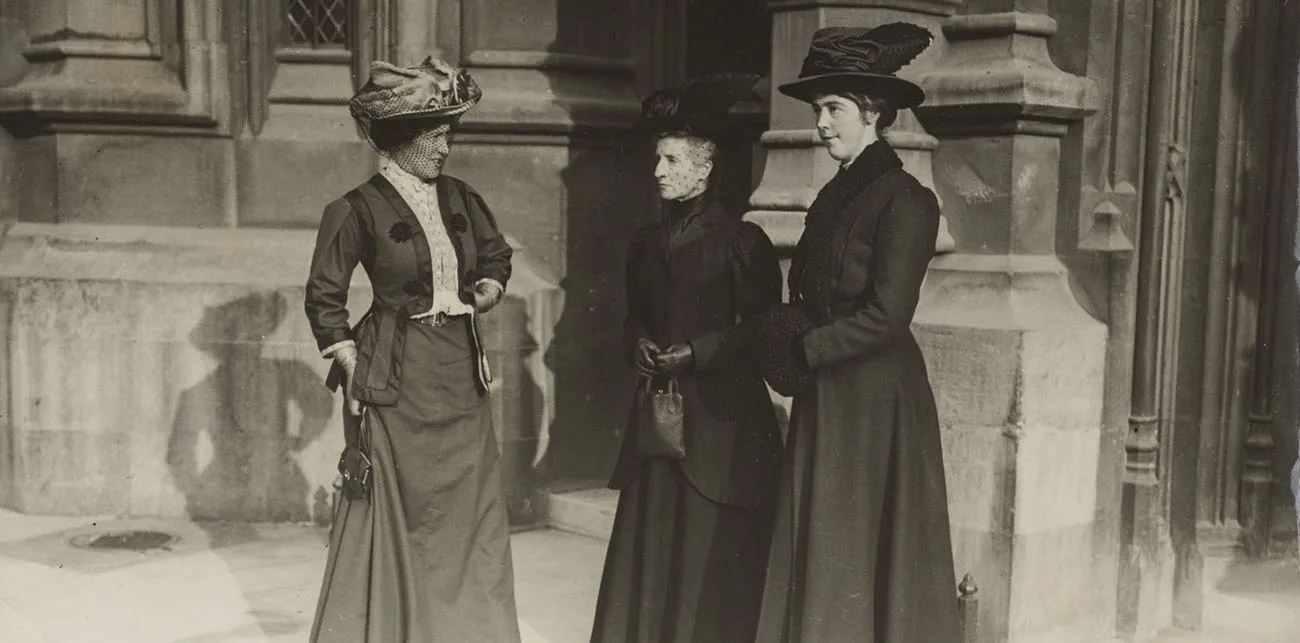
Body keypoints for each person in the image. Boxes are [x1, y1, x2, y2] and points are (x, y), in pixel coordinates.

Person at [752, 24, 961, 643]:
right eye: (819, 110)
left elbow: (889, 314)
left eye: (833, 109)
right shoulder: (835, 195)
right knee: (824, 537)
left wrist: (807, 350)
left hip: (875, 397)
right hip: (829, 390)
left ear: (872, 113)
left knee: (859, 541)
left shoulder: (906, 200)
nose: (821, 123)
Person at [304, 56, 520, 643]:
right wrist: (352, 365)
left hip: (460, 374)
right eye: (436, 135)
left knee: (466, 511)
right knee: (402, 510)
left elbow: (497, 254)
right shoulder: (354, 208)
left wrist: (487, 290)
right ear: (401, 139)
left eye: (449, 133)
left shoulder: (461, 197)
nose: (446, 147)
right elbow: (324, 298)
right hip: (398, 376)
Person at [589, 74, 785, 643]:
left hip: (722, 428)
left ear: (704, 167)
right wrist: (640, 345)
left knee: (709, 565)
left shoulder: (743, 243)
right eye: (657, 159)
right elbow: (634, 318)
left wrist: (697, 351)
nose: (658, 171)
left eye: (671, 160)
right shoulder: (645, 244)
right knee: (653, 554)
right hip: (661, 428)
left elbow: (762, 331)